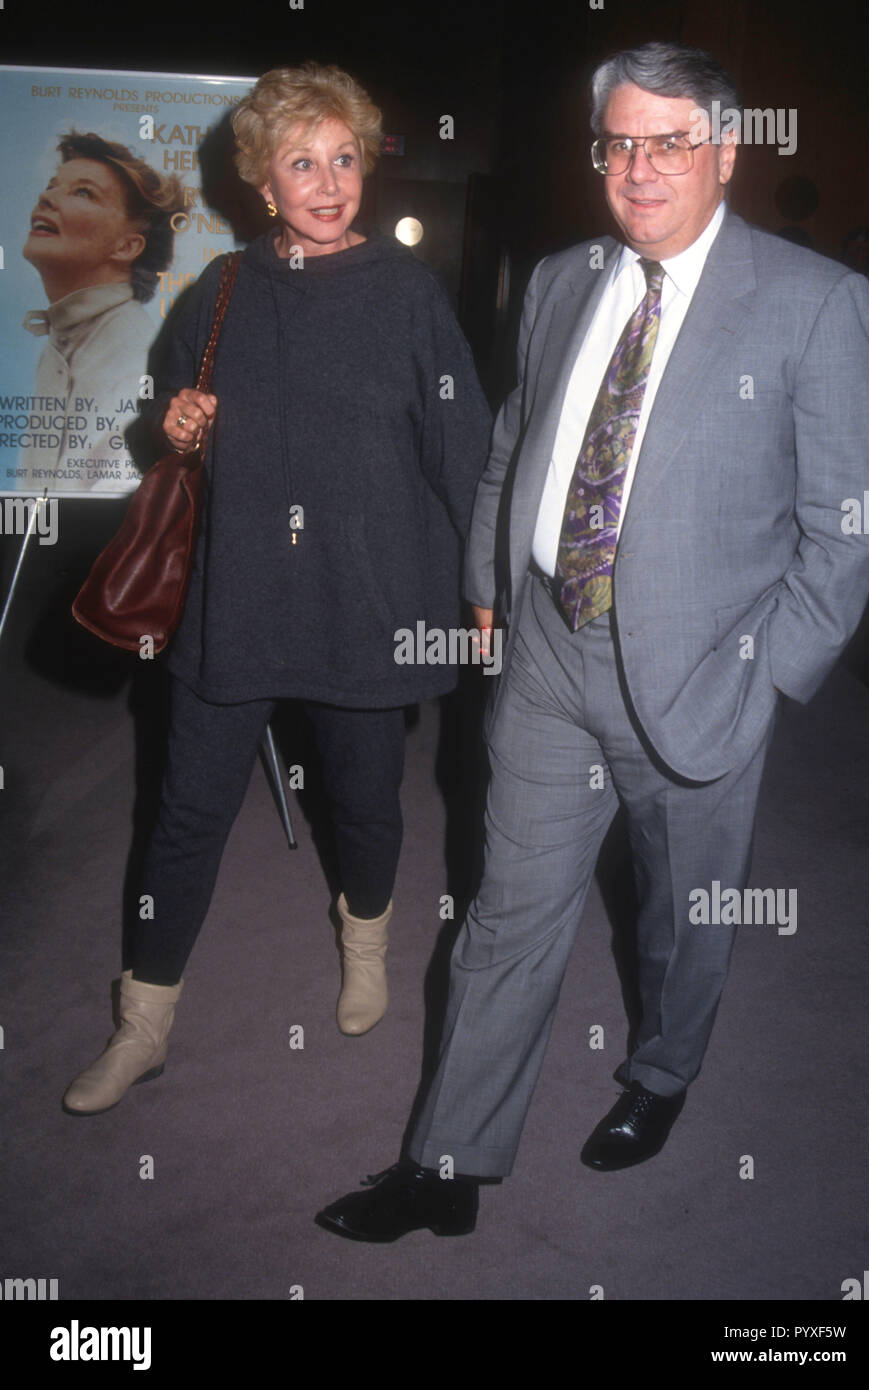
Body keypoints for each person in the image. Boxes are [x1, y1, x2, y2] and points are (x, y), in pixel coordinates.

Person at [316, 40, 869, 1241]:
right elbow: (518, 436)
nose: (638, 168)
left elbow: (849, 525)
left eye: (668, 142)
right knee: (503, 914)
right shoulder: (565, 276)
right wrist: (488, 580)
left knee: (682, 914)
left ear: (724, 153)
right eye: (618, 141)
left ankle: (661, 1073)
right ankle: (445, 1162)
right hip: (543, 651)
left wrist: (769, 676)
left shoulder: (814, 304)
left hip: (700, 674)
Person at [62, 63, 493, 1115]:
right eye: (303, 161)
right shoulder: (222, 290)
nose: (329, 180)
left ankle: (366, 946)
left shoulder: (405, 295)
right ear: (262, 180)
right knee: (185, 809)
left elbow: (463, 446)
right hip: (239, 595)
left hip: (369, 597)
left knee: (362, 798)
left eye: (345, 158)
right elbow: (170, 395)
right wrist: (176, 420)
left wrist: (483, 589)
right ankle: (144, 1022)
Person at [20, 132, 185, 493]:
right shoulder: (61, 346)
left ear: (127, 246)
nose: (46, 198)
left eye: (83, 192)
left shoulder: (131, 356)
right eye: (52, 186)